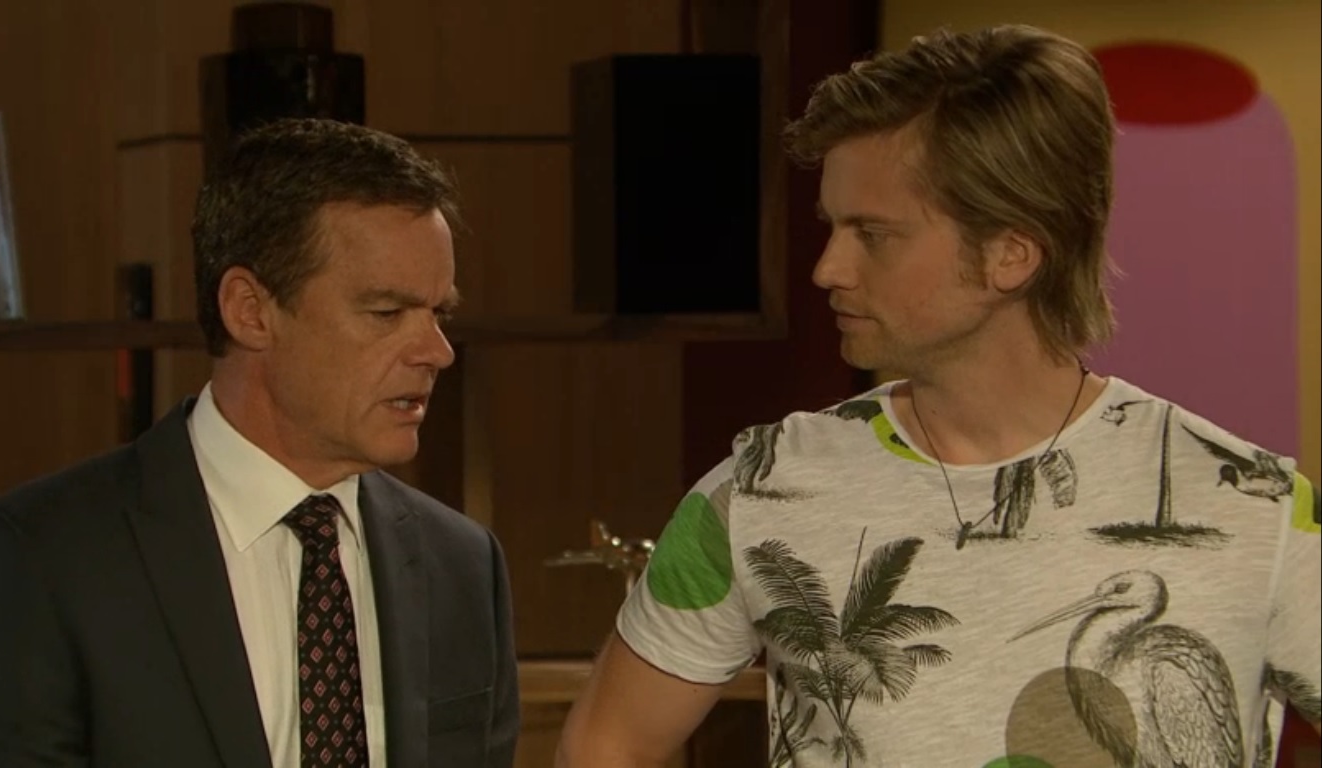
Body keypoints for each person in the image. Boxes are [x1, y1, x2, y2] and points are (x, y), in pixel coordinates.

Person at [558, 24, 1321, 767]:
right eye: (832, 226)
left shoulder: (1253, 508)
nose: (828, 268)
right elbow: (604, 746)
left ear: (1010, 254)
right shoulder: (761, 488)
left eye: (873, 234)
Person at [0, 118, 519, 768]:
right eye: (387, 313)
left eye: (438, 313)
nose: (437, 351)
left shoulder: (463, 566)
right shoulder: (39, 560)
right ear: (250, 310)